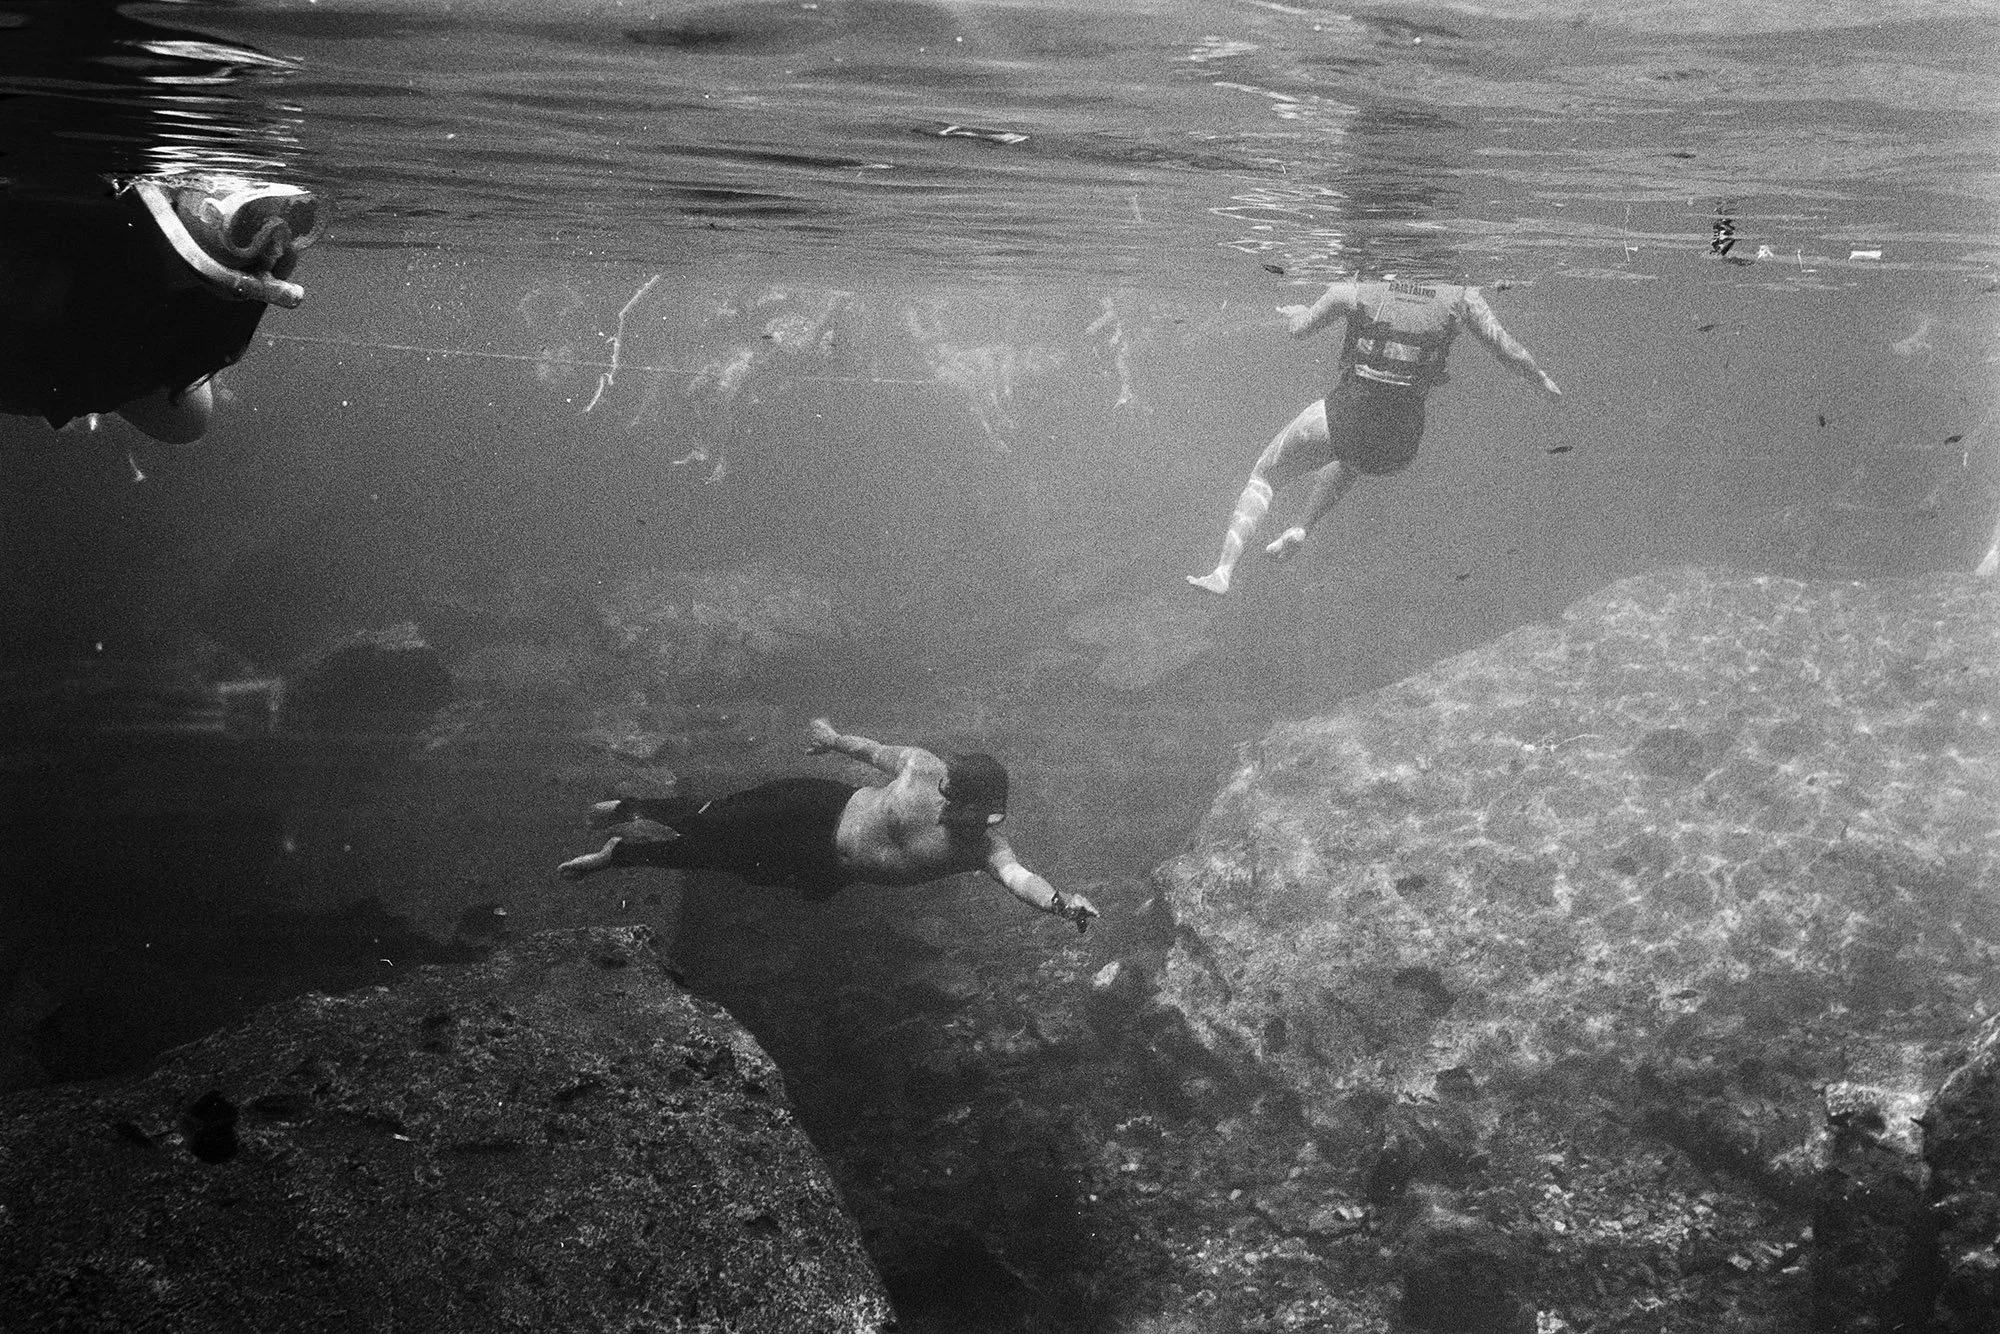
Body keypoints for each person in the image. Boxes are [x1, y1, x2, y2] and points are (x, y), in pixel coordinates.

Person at [1187, 276, 1562, 595]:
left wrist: (1298, 313)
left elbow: (1300, 331)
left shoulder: (1354, 288)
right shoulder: (1461, 296)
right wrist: (1540, 380)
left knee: (1265, 477)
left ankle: (1223, 572)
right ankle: (1303, 526)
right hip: (1401, 439)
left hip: (1347, 416)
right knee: (1352, 460)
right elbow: (1505, 347)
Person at [558, 718, 1100, 932]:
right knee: (718, 820)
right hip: (814, 808)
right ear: (947, 789)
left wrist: (1061, 903)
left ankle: (620, 855)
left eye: (976, 820)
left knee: (717, 860)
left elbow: (1019, 879)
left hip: (821, 865)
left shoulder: (984, 847)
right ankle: (633, 808)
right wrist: (835, 740)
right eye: (957, 808)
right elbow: (873, 752)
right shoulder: (923, 768)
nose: (959, 823)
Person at [0, 173, 322, 445]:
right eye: (250, 220)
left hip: (107, 366)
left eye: (297, 219)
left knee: (189, 422)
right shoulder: (59, 259)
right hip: (51, 351)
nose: (273, 247)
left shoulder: (212, 304)